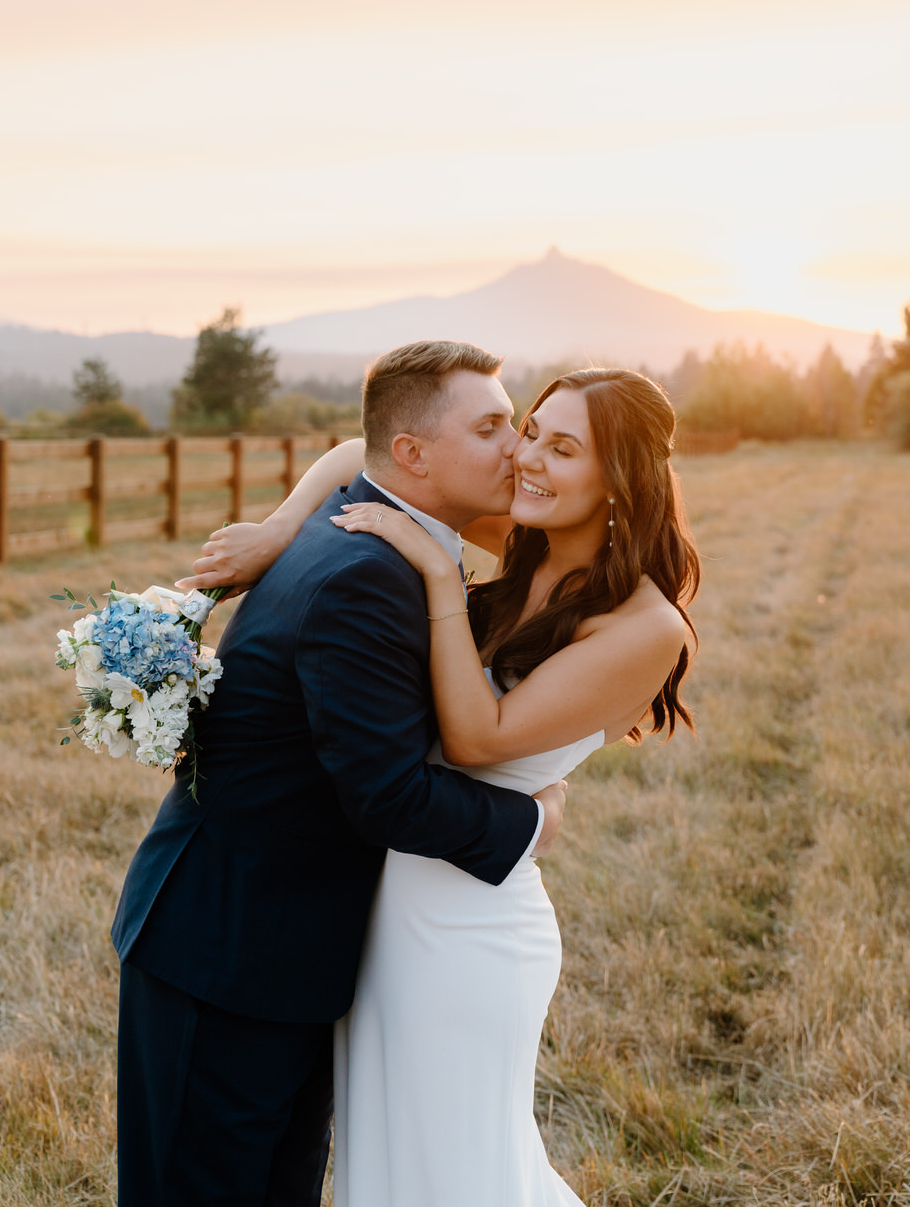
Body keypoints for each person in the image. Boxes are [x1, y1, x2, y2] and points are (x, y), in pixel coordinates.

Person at [182, 362, 700, 1207]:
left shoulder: (645, 626)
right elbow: (367, 448)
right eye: (529, 432)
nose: (527, 458)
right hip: (388, 907)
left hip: (470, 931)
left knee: (457, 1169)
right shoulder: (529, 539)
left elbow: (474, 737)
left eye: (562, 448)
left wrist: (435, 575)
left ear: (620, 483)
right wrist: (280, 531)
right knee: (388, 1163)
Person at [111, 340, 569, 1207]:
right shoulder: (367, 573)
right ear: (413, 456)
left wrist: (284, 520)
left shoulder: (365, 528)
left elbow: (352, 447)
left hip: (279, 947)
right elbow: (388, 797)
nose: (516, 446)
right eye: (494, 425)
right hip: (228, 957)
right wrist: (534, 820)